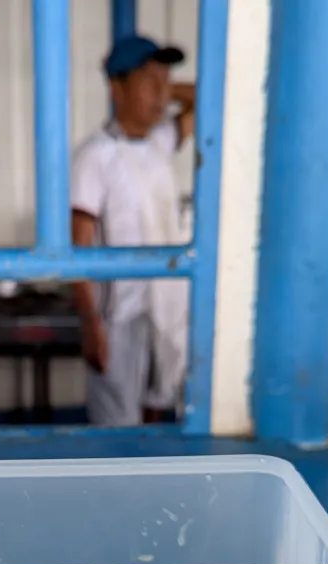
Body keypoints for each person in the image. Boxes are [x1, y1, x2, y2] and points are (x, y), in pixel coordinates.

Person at [71, 35, 195, 426]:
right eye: (147, 81)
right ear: (116, 88)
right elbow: (78, 245)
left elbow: (207, 99)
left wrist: (162, 85)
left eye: (165, 80)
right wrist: (90, 323)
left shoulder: (159, 142)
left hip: (165, 308)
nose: (160, 94)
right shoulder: (95, 156)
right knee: (118, 430)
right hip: (117, 317)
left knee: (161, 414)